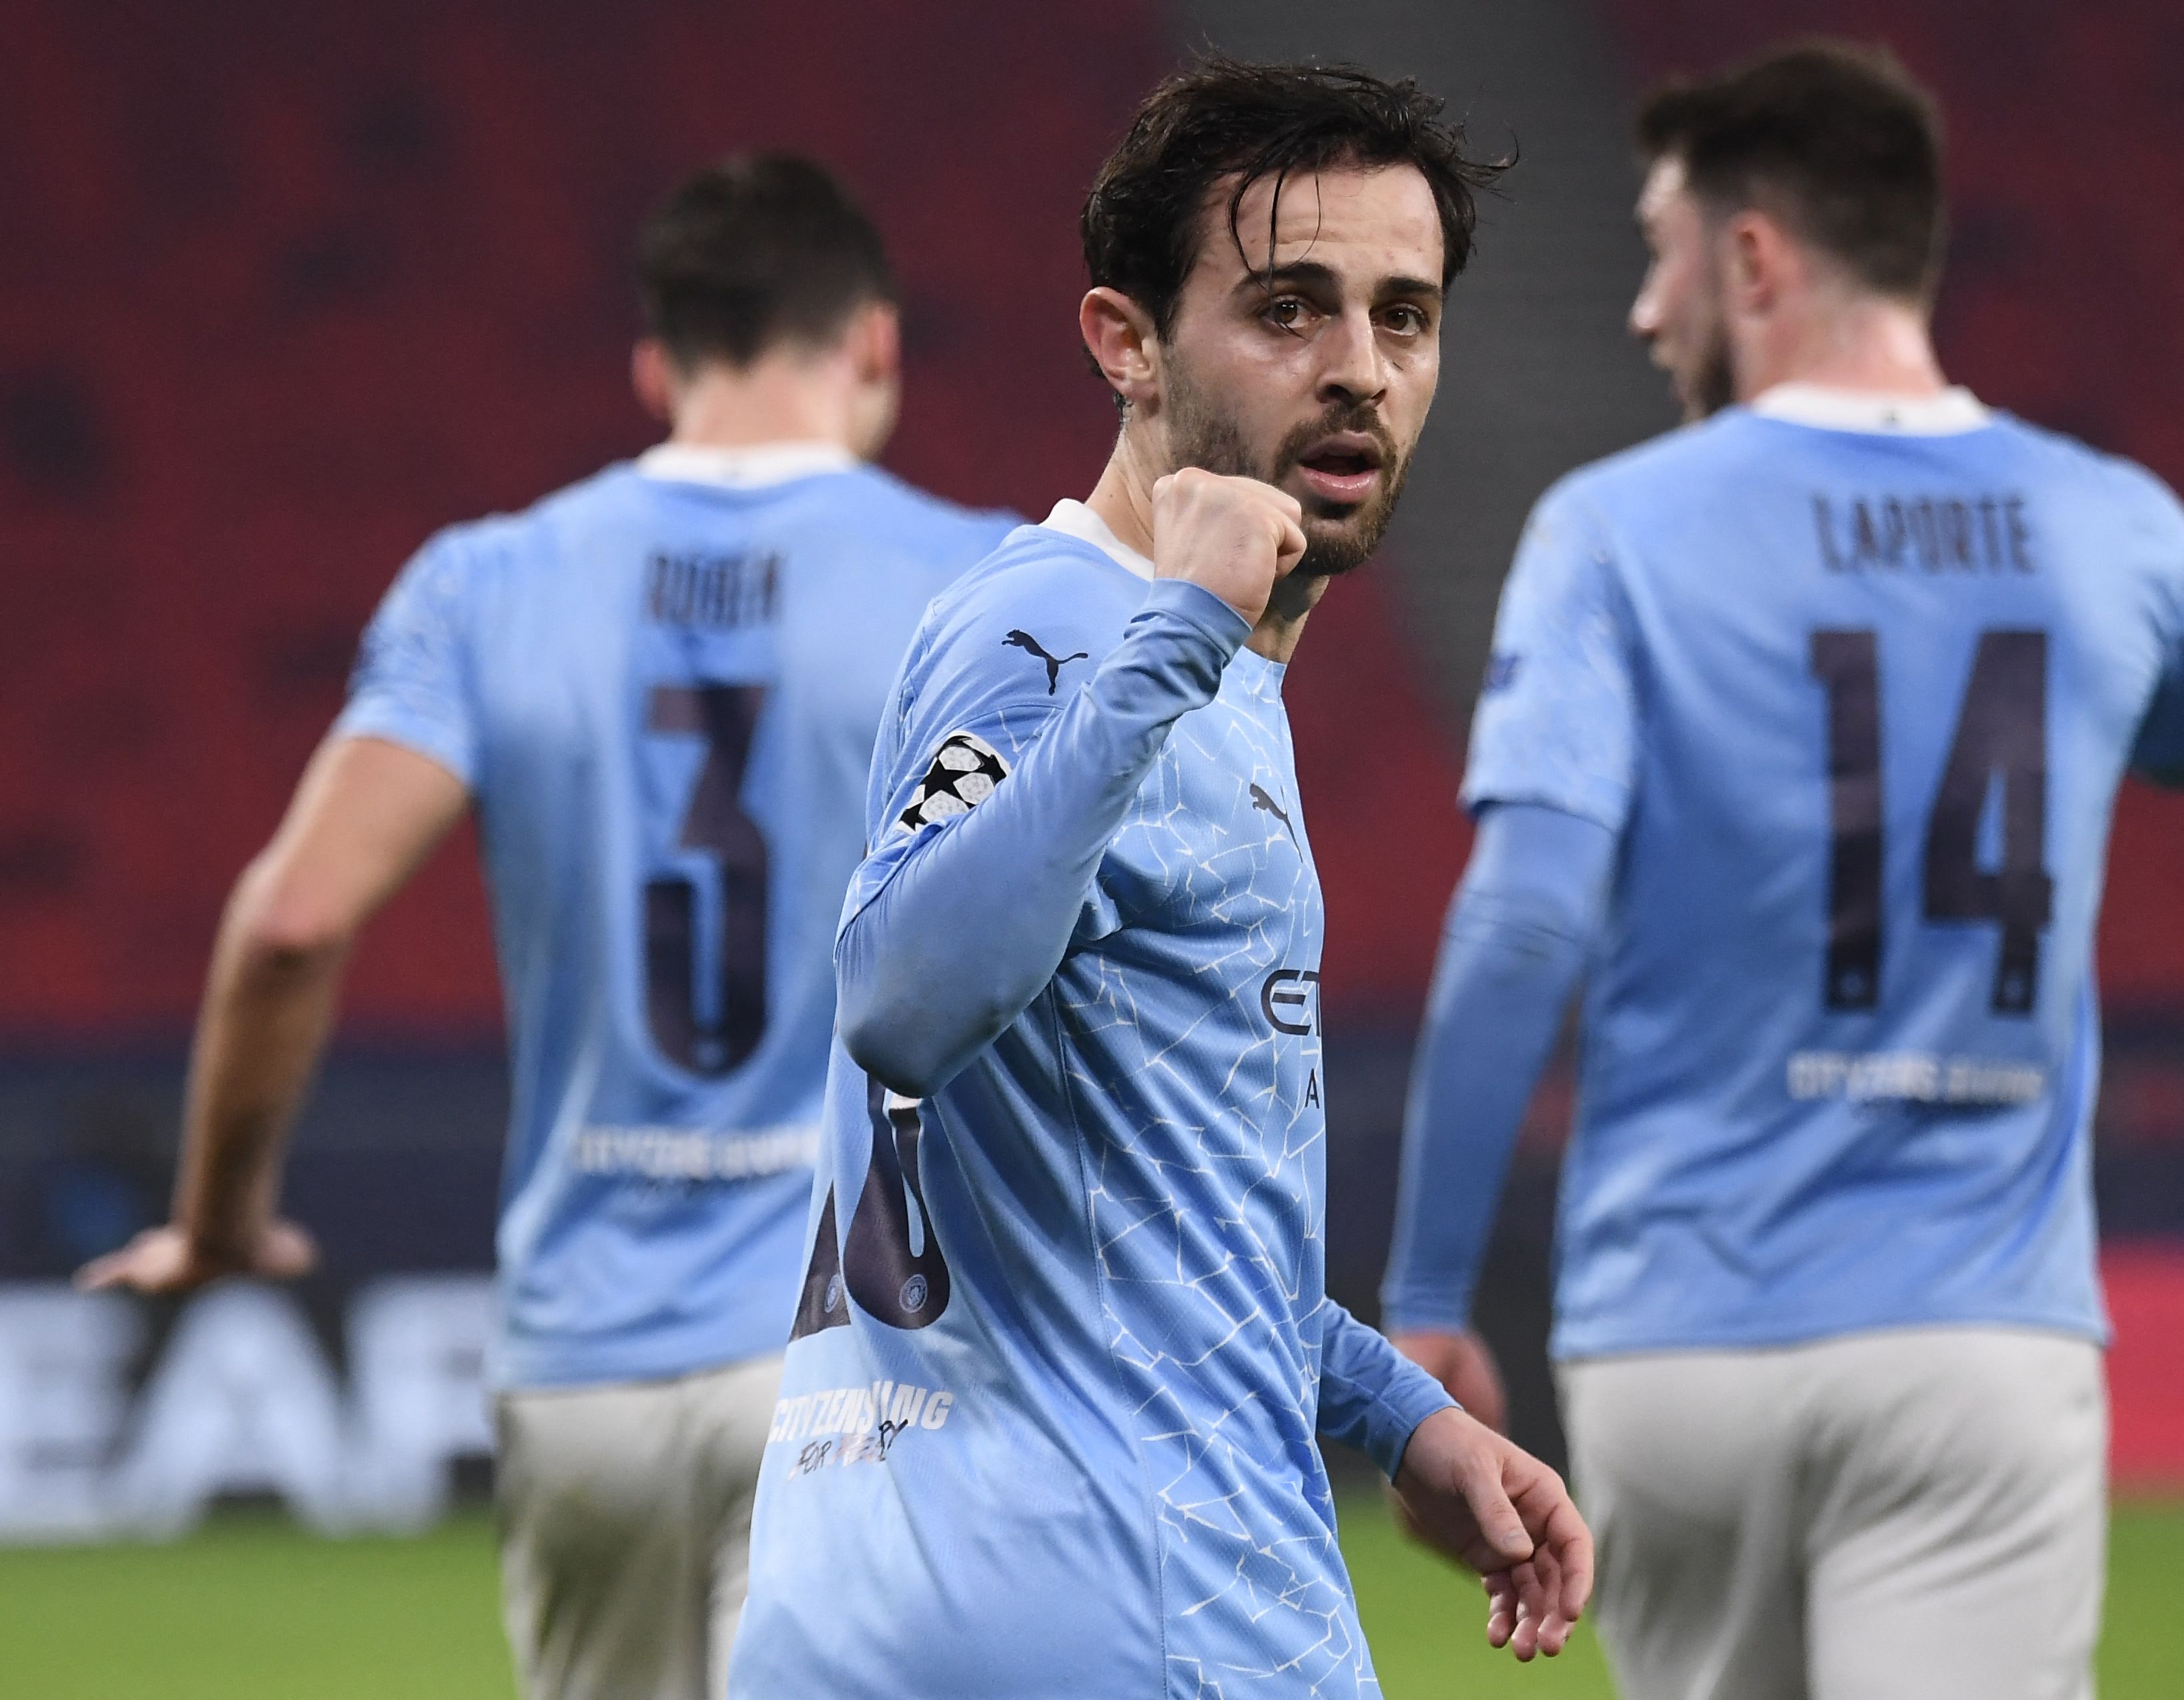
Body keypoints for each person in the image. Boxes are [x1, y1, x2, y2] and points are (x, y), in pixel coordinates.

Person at [77, 153, 1017, 1700]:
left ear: (656, 364)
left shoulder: (488, 583)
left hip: (590, 1360)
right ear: (874, 344)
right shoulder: (980, 583)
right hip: (877, 1345)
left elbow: (293, 920)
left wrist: (224, 1219)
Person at [725, 58, 1593, 1700]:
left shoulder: (1092, 645)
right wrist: (1176, 634)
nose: (1359, 373)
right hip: (1152, 1602)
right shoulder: (1076, 637)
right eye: (1288, 310)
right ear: (1125, 341)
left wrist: (1395, 1413)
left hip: (897, 1605)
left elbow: (1144, 1218)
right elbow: (900, 1004)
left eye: (1403, 317)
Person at [1383, 39, 2184, 1700]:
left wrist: (1431, 1292)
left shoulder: (1615, 532)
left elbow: (1525, 909)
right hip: (1980, 1332)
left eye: (1662, 249)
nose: (1641, 307)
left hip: (1681, 1340)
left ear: (1755, 256)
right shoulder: (2119, 530)